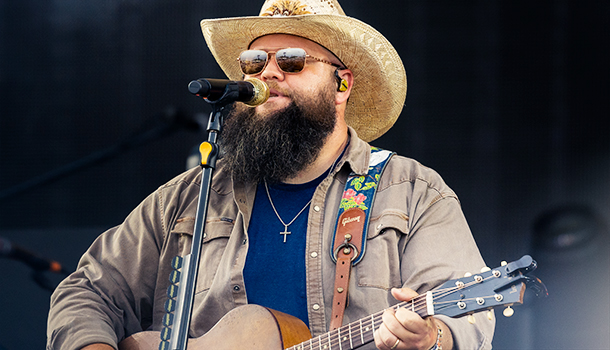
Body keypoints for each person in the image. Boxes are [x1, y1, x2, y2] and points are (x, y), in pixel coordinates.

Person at [47, 1, 495, 349]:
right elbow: (87, 290)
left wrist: (432, 336)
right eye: (254, 62)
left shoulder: (413, 192)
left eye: (294, 61)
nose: (269, 73)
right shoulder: (191, 197)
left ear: (342, 85)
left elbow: (470, 316)